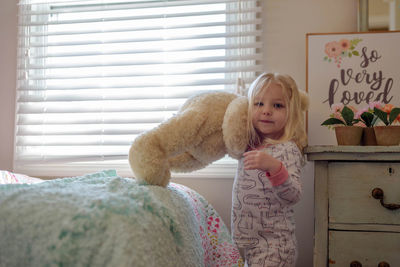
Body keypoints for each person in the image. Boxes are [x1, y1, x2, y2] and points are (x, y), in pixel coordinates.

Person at [231, 72, 309, 267]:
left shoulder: (287, 149)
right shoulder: (248, 145)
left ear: (291, 112)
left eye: (277, 105)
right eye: (258, 104)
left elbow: (293, 195)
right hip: (252, 244)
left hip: (275, 246)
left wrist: (274, 167)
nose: (266, 111)